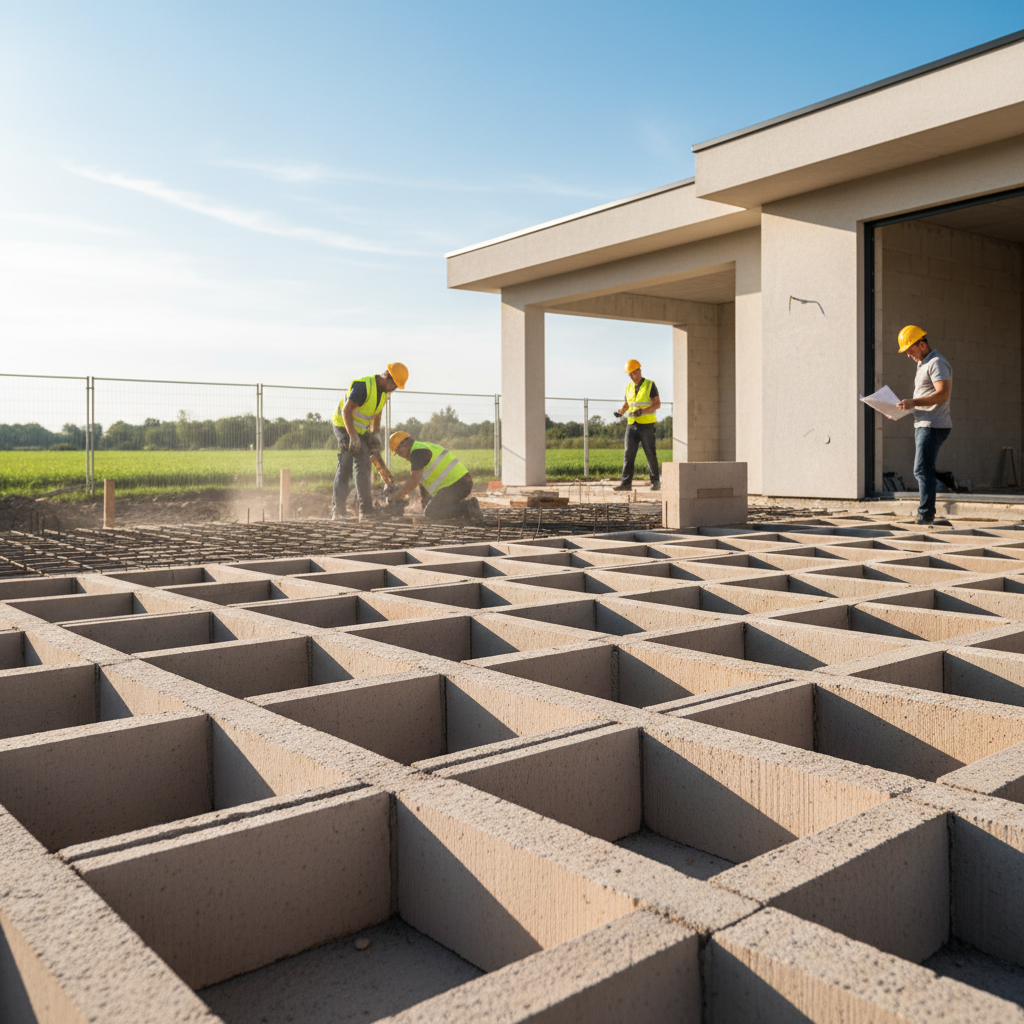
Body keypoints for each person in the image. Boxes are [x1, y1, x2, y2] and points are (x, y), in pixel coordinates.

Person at [331, 362, 408, 520]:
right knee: (356, 462)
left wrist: (374, 433)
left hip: (360, 430)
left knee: (360, 461)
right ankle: (361, 511)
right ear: (387, 376)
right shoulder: (363, 386)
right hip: (343, 425)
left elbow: (376, 412)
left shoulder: (385, 392)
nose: (394, 389)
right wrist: (352, 436)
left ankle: (356, 510)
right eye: (394, 385)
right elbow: (346, 411)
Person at [895, 326, 952, 526]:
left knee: (922, 470)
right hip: (924, 423)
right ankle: (926, 514)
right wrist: (901, 409)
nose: (908, 355)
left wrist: (914, 402)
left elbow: (943, 394)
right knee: (923, 469)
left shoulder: (936, 363)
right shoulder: (923, 364)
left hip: (933, 425)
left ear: (922, 344)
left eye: (910, 350)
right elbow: (923, 398)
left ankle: (926, 515)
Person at [387, 431, 483, 522]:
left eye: (398, 452)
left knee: (432, 512)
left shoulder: (417, 453)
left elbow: (414, 479)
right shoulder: (422, 447)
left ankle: (467, 507)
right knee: (431, 510)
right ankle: (463, 510)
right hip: (461, 483)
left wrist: (397, 495)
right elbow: (422, 482)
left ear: (404, 445)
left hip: (457, 485)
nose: (400, 456)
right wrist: (426, 505)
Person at [612, 358, 661, 492]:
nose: (631, 377)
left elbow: (657, 404)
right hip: (631, 425)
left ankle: (656, 482)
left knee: (650, 453)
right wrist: (621, 411)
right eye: (629, 374)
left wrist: (643, 411)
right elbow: (628, 404)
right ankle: (626, 484)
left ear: (639, 371)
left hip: (646, 425)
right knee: (628, 454)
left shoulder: (650, 385)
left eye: (633, 373)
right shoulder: (629, 387)